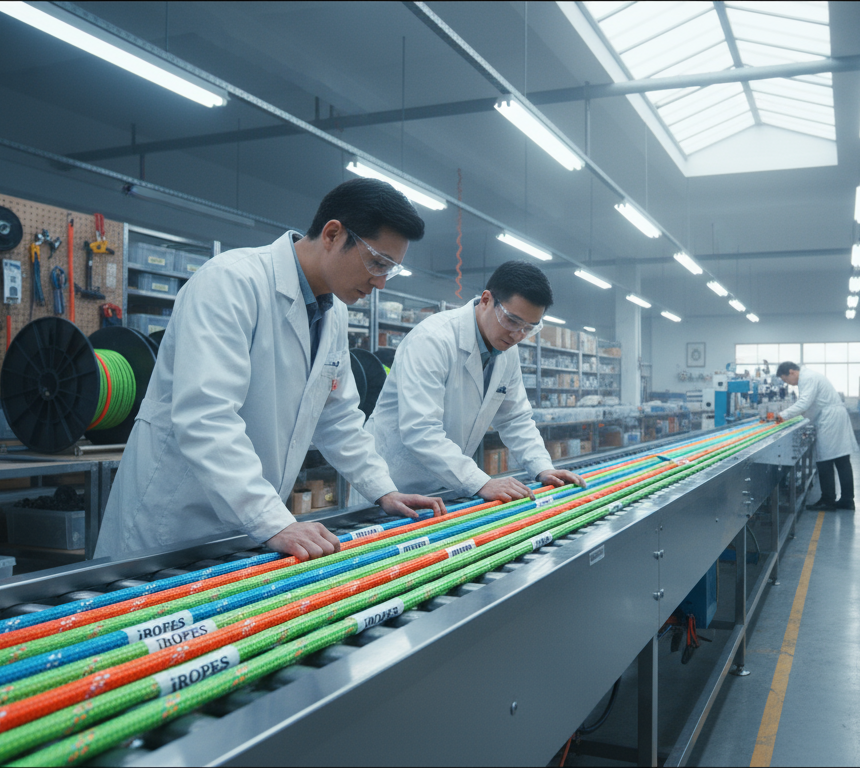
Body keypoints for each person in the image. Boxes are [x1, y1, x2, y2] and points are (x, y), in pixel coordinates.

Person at [96, 179, 446, 562]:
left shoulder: (334, 313)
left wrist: (384, 490)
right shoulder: (231, 282)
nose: (380, 282)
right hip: (174, 521)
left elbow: (338, 417)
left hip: (249, 526)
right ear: (332, 234)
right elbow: (205, 416)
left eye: (390, 270)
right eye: (377, 263)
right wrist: (271, 520)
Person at [367, 261, 585, 502]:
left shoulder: (507, 350)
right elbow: (420, 428)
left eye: (528, 328)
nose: (517, 335)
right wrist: (480, 482)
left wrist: (543, 468)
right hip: (393, 485)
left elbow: (515, 418)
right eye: (512, 321)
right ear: (486, 300)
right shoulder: (432, 340)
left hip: (447, 486)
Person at [776, 361, 858, 510]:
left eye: (786, 380)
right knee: (842, 460)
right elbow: (812, 406)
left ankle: (828, 500)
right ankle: (847, 500)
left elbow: (804, 403)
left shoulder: (807, 378)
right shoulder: (810, 377)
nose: (789, 384)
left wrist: (781, 416)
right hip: (833, 417)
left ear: (792, 372)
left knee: (824, 459)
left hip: (830, 419)